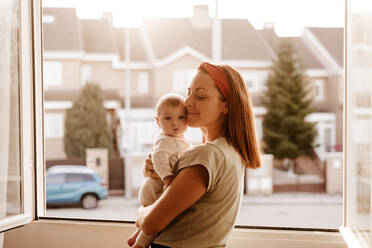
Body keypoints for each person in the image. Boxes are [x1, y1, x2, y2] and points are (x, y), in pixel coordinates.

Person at [137, 62, 262, 248]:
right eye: (188, 92)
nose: (187, 102)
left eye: (200, 96)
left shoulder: (206, 156)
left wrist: (142, 211)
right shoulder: (229, 151)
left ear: (226, 106)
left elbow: (150, 223)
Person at [128, 93, 192, 248]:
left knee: (158, 217)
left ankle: (135, 236)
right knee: (160, 218)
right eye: (167, 118)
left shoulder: (181, 140)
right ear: (158, 121)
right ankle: (139, 244)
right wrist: (168, 178)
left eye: (181, 117)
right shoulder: (165, 140)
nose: (175, 123)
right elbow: (158, 159)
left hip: (159, 185)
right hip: (156, 187)